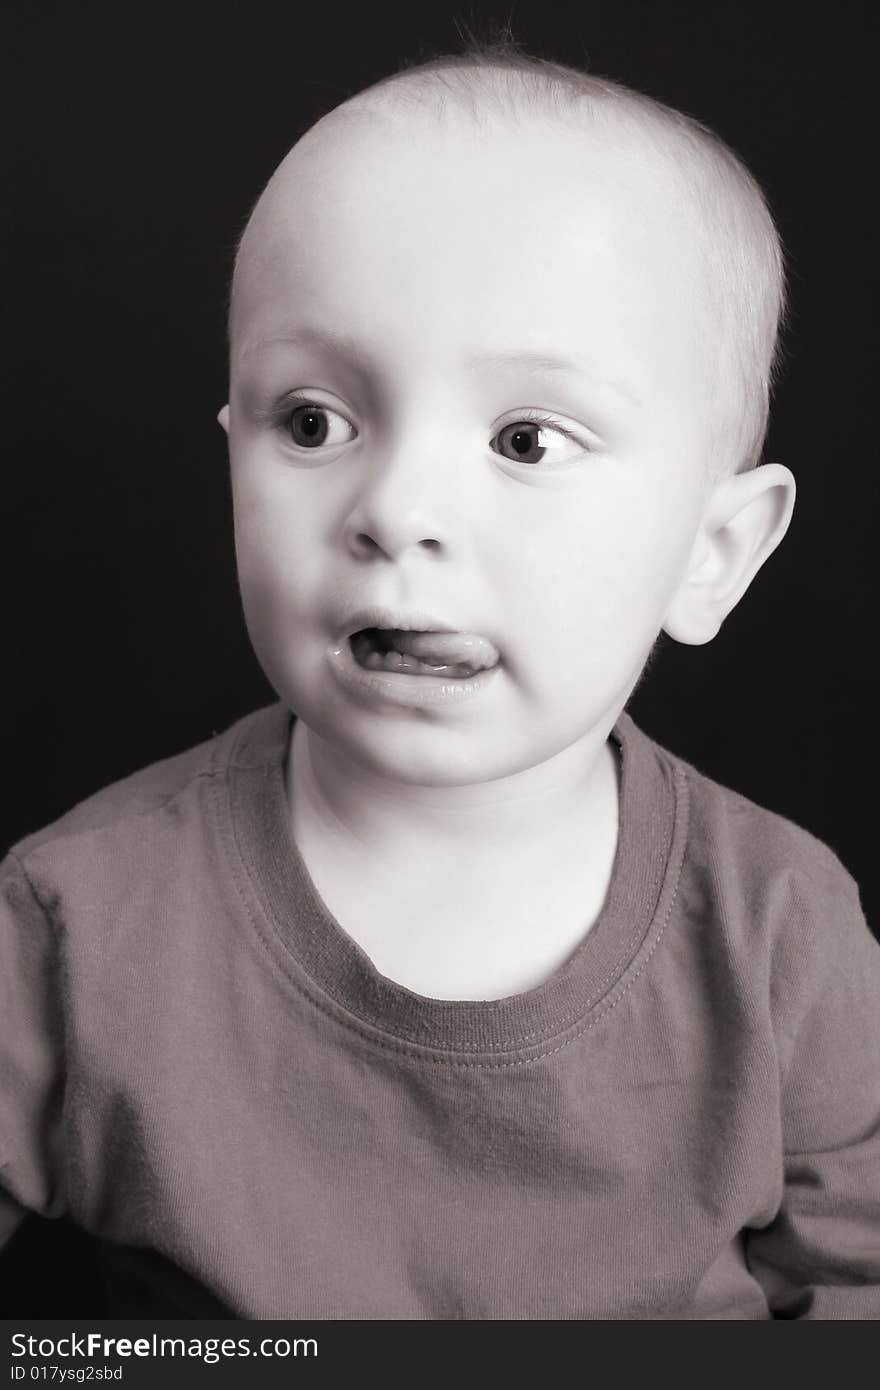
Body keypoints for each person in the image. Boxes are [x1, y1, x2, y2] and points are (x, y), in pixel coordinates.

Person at [2, 40, 878, 1320]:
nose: (395, 507)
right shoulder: (70, 924)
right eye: (313, 421)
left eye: (528, 439)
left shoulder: (780, 934)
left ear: (713, 552)